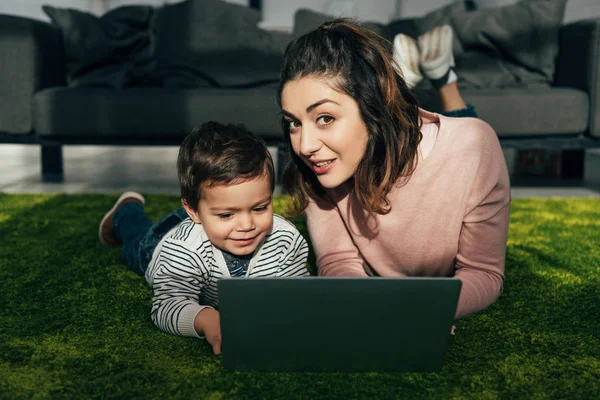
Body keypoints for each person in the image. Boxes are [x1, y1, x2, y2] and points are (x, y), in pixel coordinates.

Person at [277, 19, 510, 320]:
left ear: (372, 104)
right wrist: (374, 307)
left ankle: (441, 77)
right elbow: (338, 262)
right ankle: (405, 79)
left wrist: (426, 310)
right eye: (293, 123)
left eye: (325, 118)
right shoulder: (318, 167)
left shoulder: (475, 144)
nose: (305, 146)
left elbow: (483, 272)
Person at [98, 121, 309, 354]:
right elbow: (167, 306)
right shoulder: (182, 250)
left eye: (259, 208)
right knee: (135, 242)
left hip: (206, 221)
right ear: (194, 211)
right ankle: (126, 210)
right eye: (228, 214)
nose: (247, 225)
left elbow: (296, 292)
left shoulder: (285, 238)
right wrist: (207, 319)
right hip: (159, 243)